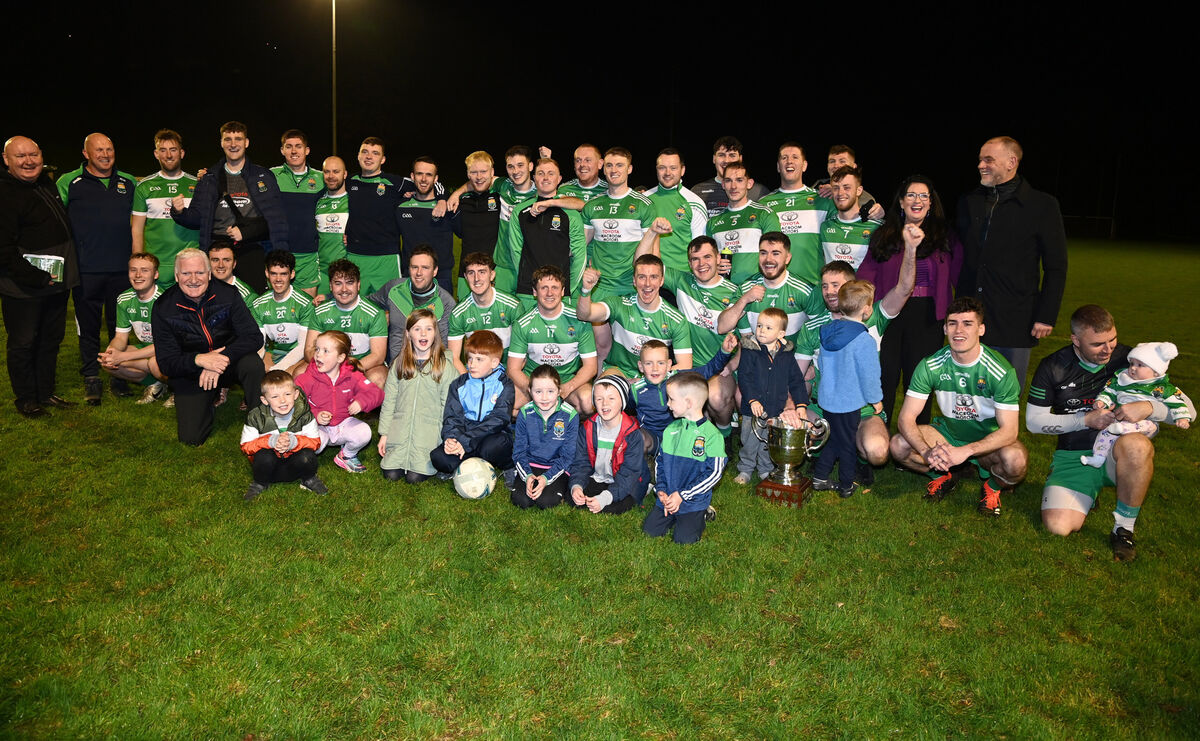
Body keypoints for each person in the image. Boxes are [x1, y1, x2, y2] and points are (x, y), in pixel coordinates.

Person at [1026, 306, 1192, 561]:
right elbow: (1033, 423)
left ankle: (1123, 529)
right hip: (1076, 455)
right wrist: (1085, 420)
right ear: (1076, 340)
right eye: (1097, 344)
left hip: (1120, 454)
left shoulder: (1132, 360)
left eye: (1112, 340)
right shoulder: (1053, 366)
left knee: (1137, 446)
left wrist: (1149, 406)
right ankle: (1087, 493)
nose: (1108, 349)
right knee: (1057, 527)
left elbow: (1189, 410)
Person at [889, 297, 1026, 517]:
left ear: (981, 329)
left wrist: (967, 451)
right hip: (948, 434)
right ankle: (942, 476)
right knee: (898, 445)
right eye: (952, 323)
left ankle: (992, 487)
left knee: (1015, 461)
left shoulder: (1001, 371)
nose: (958, 330)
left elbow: (1010, 431)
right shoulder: (930, 365)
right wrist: (926, 452)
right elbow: (906, 418)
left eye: (967, 323)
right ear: (944, 328)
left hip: (986, 442)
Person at [956, 136, 1067, 391]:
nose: (981, 165)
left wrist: (1046, 315)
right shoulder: (969, 200)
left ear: (1011, 162)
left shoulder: (1042, 205)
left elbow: (1056, 266)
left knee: (1005, 395)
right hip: (970, 316)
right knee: (967, 393)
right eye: (980, 159)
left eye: (988, 160)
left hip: (1016, 318)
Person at [793, 254, 915, 484]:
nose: (829, 291)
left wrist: (910, 247)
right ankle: (823, 454)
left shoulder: (873, 317)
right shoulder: (813, 327)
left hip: (863, 410)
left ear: (850, 287)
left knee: (878, 452)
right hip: (823, 408)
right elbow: (797, 376)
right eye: (825, 286)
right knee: (796, 436)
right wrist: (792, 407)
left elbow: (904, 288)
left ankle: (856, 458)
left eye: (836, 285)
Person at [859, 175, 962, 428]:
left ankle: (915, 442)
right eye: (911, 195)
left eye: (923, 196)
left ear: (931, 203)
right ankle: (878, 433)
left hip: (928, 315)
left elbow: (961, 275)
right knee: (886, 376)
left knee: (920, 379)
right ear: (902, 202)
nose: (917, 200)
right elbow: (866, 274)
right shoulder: (885, 234)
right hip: (890, 314)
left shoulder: (944, 236)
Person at [151, 247, 265, 445]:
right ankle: (208, 400)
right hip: (192, 371)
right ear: (177, 276)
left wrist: (222, 358)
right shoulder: (163, 307)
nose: (193, 279)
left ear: (209, 274)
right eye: (186, 273)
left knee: (253, 364)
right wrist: (200, 360)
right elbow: (167, 363)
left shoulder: (228, 294)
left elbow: (254, 337)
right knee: (191, 438)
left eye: (200, 272)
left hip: (229, 362)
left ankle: (261, 421)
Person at [1, 135, 80, 417]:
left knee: (50, 339)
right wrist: (35, 277)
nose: (29, 161)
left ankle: (45, 392)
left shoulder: (44, 183)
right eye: (20, 156)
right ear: (6, 160)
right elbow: (4, 249)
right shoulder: (6, 193)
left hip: (54, 283)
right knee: (23, 343)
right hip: (23, 287)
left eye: (33, 154)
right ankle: (26, 399)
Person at [58, 132, 138, 405]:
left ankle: (118, 373)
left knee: (120, 327)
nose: (105, 155)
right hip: (86, 270)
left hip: (121, 271)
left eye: (109, 149)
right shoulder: (69, 182)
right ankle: (91, 376)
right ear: (86, 154)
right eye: (99, 150)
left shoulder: (128, 182)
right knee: (89, 327)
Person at [170, 121, 288, 294]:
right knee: (216, 300)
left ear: (246, 142)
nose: (233, 144)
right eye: (228, 139)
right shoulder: (209, 177)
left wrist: (246, 233)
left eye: (238, 139)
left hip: (251, 249)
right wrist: (179, 212)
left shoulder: (262, 176)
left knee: (253, 300)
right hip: (218, 251)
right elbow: (197, 219)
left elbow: (276, 220)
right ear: (221, 143)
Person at [640, 235, 739, 430]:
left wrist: (733, 364)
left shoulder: (734, 291)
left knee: (717, 398)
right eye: (695, 259)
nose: (701, 264)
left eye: (707, 257)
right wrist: (653, 232)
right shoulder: (681, 281)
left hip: (719, 366)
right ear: (689, 263)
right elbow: (645, 263)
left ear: (719, 258)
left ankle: (724, 431)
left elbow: (746, 336)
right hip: (688, 366)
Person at [581, 147, 669, 362]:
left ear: (629, 169)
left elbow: (652, 252)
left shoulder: (644, 205)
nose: (614, 170)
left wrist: (652, 283)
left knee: (635, 346)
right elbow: (582, 245)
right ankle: (600, 392)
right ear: (603, 168)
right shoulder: (593, 206)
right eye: (609, 165)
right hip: (602, 286)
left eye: (619, 165)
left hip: (630, 286)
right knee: (601, 346)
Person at [344, 136, 446, 295]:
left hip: (387, 257)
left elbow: (428, 182)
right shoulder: (350, 181)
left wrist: (442, 199)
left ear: (383, 159)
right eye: (365, 152)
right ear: (358, 156)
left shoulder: (395, 182)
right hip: (355, 254)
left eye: (375, 153)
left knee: (391, 305)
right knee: (355, 305)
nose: (369, 156)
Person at [809, 281, 883, 497]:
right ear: (867, 309)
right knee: (848, 443)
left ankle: (820, 477)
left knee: (834, 438)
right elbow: (870, 375)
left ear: (840, 307)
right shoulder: (863, 340)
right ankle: (846, 484)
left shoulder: (827, 333)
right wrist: (875, 399)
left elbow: (821, 365)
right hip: (849, 402)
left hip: (828, 399)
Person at [576, 254, 693, 379]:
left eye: (653, 277)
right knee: (608, 390)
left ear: (662, 281)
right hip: (619, 372)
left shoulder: (676, 320)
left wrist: (644, 382)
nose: (647, 284)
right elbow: (585, 314)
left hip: (654, 377)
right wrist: (586, 290)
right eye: (642, 277)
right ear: (634, 281)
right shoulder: (619, 304)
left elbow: (685, 365)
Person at [643, 373, 727, 544]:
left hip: (692, 501)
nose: (667, 404)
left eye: (671, 399)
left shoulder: (712, 436)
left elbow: (714, 473)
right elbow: (660, 463)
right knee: (650, 531)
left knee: (684, 540)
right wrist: (662, 490)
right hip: (668, 499)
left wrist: (682, 495)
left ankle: (703, 513)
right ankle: (673, 512)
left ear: (688, 402)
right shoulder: (670, 430)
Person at [377, 309, 460, 483]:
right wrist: (384, 434)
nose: (423, 333)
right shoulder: (399, 365)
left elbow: (450, 408)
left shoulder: (445, 368)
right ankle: (397, 454)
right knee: (390, 474)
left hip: (429, 437)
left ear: (435, 334)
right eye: (417, 329)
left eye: (428, 329)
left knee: (414, 478)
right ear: (408, 334)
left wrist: (447, 438)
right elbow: (389, 401)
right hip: (399, 434)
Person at [1079, 342, 1192, 468]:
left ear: (1155, 371)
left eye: (1139, 365)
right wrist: (1102, 402)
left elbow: (1177, 402)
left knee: (1147, 425)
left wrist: (1182, 418)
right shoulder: (1122, 379)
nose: (1133, 368)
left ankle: (1123, 429)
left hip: (1146, 422)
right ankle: (1098, 457)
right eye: (1132, 363)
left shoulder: (1162, 388)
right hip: (1118, 419)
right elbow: (1110, 391)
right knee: (1105, 433)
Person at [734, 308, 810, 484]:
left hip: (775, 407)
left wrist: (801, 405)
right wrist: (752, 399)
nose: (761, 330)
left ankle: (765, 469)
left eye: (768, 327)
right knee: (750, 440)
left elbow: (797, 380)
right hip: (752, 409)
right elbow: (744, 377)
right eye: (759, 325)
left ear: (781, 333)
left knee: (769, 441)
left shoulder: (786, 355)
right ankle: (745, 469)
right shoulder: (749, 350)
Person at [508, 266, 597, 413]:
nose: (550, 293)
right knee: (508, 406)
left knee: (587, 402)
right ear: (535, 292)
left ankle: (570, 428)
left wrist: (567, 387)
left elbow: (591, 367)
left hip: (567, 382)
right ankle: (534, 426)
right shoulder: (523, 324)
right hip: (535, 382)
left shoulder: (579, 321)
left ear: (562, 291)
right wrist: (535, 390)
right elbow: (513, 369)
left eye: (555, 288)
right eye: (544, 288)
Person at [633, 336, 736, 462]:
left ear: (669, 364)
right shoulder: (635, 390)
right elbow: (619, 408)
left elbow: (708, 369)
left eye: (660, 363)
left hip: (680, 436)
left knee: (696, 439)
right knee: (639, 438)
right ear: (641, 366)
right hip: (654, 437)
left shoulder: (679, 379)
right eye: (649, 363)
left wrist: (724, 351)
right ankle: (644, 474)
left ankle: (698, 460)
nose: (655, 368)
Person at [295, 330, 385, 474]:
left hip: (343, 425)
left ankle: (346, 455)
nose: (318, 354)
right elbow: (296, 404)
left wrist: (361, 402)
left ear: (340, 357)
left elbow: (377, 394)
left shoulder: (352, 375)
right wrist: (316, 415)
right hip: (317, 427)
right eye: (317, 349)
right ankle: (301, 458)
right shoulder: (306, 378)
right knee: (315, 445)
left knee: (364, 432)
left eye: (325, 351)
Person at [430, 329, 515, 476]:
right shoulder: (458, 384)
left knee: (493, 447)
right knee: (438, 457)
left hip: (492, 434)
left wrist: (465, 441)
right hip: (465, 433)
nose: (471, 364)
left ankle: (508, 467)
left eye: (479, 359)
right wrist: (452, 439)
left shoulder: (504, 384)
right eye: (470, 358)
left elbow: (499, 419)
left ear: (494, 362)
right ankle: (468, 461)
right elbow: (452, 417)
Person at [505, 157, 588, 307]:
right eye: (541, 173)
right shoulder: (520, 211)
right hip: (528, 292)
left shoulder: (571, 214)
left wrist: (567, 286)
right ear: (534, 178)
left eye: (551, 173)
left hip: (559, 293)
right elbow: (516, 252)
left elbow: (579, 255)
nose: (545, 177)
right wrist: (527, 279)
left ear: (559, 179)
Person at [718, 232, 824, 346]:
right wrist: (745, 300)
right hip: (756, 360)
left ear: (787, 258)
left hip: (793, 361)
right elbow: (722, 328)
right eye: (763, 253)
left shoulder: (805, 291)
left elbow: (822, 330)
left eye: (775, 253)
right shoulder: (746, 288)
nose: (768, 259)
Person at [239, 369, 324, 500]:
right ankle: (260, 483)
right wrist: (270, 441)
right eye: (275, 396)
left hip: (295, 465)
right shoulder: (256, 416)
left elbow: (315, 442)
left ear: (296, 394)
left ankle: (309, 479)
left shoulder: (305, 415)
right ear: (265, 400)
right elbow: (245, 445)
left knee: (307, 455)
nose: (282, 400)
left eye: (287, 394)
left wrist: (294, 442)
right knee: (263, 455)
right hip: (268, 468)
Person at [568, 374, 648, 514]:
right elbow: (581, 462)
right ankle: (599, 493)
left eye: (611, 398)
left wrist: (605, 498)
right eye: (599, 399)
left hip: (626, 479)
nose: (605, 404)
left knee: (613, 506)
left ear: (622, 401)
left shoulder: (632, 433)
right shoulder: (588, 428)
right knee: (576, 497)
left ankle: (640, 489)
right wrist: (577, 486)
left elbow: (629, 472)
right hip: (600, 476)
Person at [758, 142, 836, 285]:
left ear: (804, 165)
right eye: (784, 158)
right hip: (776, 286)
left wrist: (875, 211)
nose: (789, 161)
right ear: (778, 166)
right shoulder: (763, 204)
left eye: (795, 157)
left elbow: (849, 220)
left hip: (813, 286)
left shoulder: (823, 200)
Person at [131, 128, 199, 290]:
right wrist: (138, 265)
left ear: (181, 153)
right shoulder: (144, 187)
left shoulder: (197, 185)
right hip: (157, 265)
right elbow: (137, 230)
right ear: (156, 154)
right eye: (163, 150)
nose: (169, 155)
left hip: (190, 266)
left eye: (173, 150)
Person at [304, 258, 388, 387]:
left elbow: (378, 356)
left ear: (358, 285)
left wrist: (346, 370)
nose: (344, 289)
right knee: (299, 373)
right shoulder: (320, 312)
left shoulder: (375, 313)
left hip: (362, 364)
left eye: (349, 283)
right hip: (327, 364)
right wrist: (329, 366)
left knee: (378, 377)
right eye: (338, 283)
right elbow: (309, 350)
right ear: (331, 286)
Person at [97, 252, 168, 403]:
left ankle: (182, 391)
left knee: (154, 364)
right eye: (133, 270)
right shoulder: (124, 298)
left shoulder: (164, 301)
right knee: (109, 362)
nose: (137, 275)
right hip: (147, 348)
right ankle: (155, 384)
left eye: (144, 270)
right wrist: (112, 351)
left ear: (155, 274)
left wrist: (122, 357)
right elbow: (121, 337)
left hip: (171, 351)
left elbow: (165, 345)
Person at [368, 245, 456, 363]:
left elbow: (444, 348)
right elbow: (367, 303)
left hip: (430, 369)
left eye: (425, 268)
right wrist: (381, 315)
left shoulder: (446, 302)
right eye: (414, 267)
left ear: (435, 271)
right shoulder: (394, 289)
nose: (419, 273)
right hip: (397, 368)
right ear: (409, 269)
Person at [511, 364, 579, 509]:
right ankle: (525, 479)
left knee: (546, 502)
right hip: (531, 464)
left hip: (557, 466)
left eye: (550, 391)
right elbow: (519, 452)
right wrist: (528, 475)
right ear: (530, 391)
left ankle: (558, 486)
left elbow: (568, 457)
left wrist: (546, 478)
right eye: (538, 391)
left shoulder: (570, 415)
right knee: (521, 500)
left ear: (559, 391)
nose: (544, 397)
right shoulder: (525, 413)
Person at [706, 162, 782, 285]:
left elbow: (777, 254)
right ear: (723, 184)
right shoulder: (713, 222)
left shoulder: (764, 214)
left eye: (739, 180)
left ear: (749, 183)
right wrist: (715, 266)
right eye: (729, 181)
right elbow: (707, 259)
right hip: (725, 292)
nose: (733, 186)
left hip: (757, 289)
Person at [270, 129, 324, 297]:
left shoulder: (321, 177)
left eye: (298, 146)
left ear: (306, 150)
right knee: (279, 306)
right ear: (282, 150)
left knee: (308, 306)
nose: (294, 151)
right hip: (279, 252)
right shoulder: (270, 175)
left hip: (308, 254)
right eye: (289, 146)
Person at [447, 252, 520, 373]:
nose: (476, 279)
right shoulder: (459, 313)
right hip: (475, 372)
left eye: (482, 272)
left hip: (508, 371)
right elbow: (453, 358)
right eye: (471, 273)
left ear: (492, 275)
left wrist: (506, 381)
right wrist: (470, 382)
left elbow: (521, 353)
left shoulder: (512, 306)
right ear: (465, 277)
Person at [251, 250, 315, 375]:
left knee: (291, 375)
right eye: (274, 274)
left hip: (300, 356)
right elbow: (259, 344)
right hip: (273, 354)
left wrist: (277, 370)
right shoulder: (258, 304)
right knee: (252, 365)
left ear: (292, 274)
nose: (278, 279)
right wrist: (257, 366)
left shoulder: (305, 303)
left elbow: (303, 347)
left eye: (283, 274)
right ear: (267, 273)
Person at [397, 156, 456, 294]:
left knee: (442, 316)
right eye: (419, 174)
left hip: (441, 277)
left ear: (436, 179)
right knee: (411, 316)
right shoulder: (401, 206)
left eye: (429, 174)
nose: (424, 179)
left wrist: (443, 198)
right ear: (412, 176)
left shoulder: (448, 207)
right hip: (411, 275)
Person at [644, 148, 708, 274]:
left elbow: (700, 249)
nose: (667, 173)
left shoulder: (695, 203)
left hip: (682, 278)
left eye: (673, 168)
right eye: (662, 167)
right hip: (649, 278)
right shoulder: (643, 201)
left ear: (682, 170)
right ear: (656, 170)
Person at [451, 151, 502, 298]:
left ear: (492, 172)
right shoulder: (461, 199)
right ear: (468, 174)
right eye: (474, 172)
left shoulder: (501, 195)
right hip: (466, 273)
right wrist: (455, 194)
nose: (479, 177)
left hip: (495, 272)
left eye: (483, 171)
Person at [818, 166, 882, 273]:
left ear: (859, 190)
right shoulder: (825, 226)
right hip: (833, 289)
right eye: (836, 188)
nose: (840, 193)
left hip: (863, 289)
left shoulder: (876, 227)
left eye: (846, 187)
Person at [690, 136, 768, 217]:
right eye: (721, 155)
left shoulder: (759, 192)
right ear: (714, 159)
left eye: (732, 155)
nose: (726, 160)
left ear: (740, 159)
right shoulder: (697, 191)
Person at [314, 156, 349, 297]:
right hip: (323, 272)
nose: (331, 176)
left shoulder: (355, 201)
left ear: (345, 174)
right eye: (327, 172)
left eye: (336, 171)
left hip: (348, 272)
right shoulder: (316, 202)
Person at [208, 241, 257, 308]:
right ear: (208, 263)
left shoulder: (246, 296)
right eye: (215, 260)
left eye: (226, 260)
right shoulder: (202, 288)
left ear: (234, 264)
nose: (221, 265)